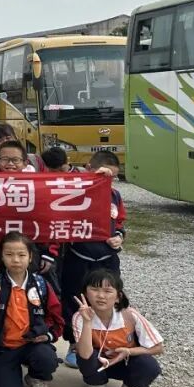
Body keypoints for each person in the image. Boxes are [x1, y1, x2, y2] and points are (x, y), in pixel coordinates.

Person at [0, 231, 63, 387]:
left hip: (32, 344)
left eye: (21, 255)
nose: (16, 260)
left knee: (46, 358)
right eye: (9, 254)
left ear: (30, 257)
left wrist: (48, 335)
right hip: (5, 347)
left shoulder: (40, 284)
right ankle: (8, 372)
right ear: (2, 257)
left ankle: (37, 378)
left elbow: (56, 317)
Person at [63, 150, 126, 367]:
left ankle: (105, 340)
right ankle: (74, 343)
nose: (108, 180)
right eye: (105, 175)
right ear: (89, 168)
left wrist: (120, 236)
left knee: (107, 299)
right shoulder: (75, 189)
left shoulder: (115, 195)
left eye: (113, 177)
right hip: (80, 257)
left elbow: (120, 222)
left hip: (107, 258)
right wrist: (90, 180)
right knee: (75, 300)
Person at [72, 269, 163, 387]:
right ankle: (96, 384)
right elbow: (85, 355)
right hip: (99, 365)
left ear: (118, 297)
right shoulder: (79, 317)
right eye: (95, 289)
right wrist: (87, 322)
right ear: (85, 293)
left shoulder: (130, 315)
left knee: (149, 365)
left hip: (126, 364)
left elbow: (158, 347)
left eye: (108, 291)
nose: (101, 296)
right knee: (82, 355)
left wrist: (129, 351)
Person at [0, 141, 59, 279]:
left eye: (15, 160)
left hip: (31, 251)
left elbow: (51, 220)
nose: (10, 164)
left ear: (25, 163)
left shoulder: (38, 187)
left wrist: (49, 253)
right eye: (5, 159)